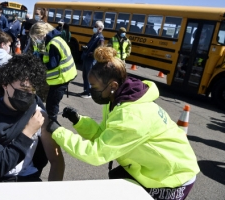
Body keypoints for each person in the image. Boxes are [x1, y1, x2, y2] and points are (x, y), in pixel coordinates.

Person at [47, 46, 200, 200]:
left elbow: (96, 153)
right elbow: (105, 136)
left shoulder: (131, 115)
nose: (91, 90)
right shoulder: (116, 100)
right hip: (152, 167)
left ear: (113, 85)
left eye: (94, 87)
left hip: (173, 177)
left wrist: (57, 131)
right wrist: (79, 121)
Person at [0, 54, 65, 182]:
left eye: (33, 89)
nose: (28, 94)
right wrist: (28, 132)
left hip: (27, 178)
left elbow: (56, 160)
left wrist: (53, 192)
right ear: (5, 84)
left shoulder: (38, 111)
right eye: (23, 88)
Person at [29, 22, 77, 121]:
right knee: (51, 101)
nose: (36, 39)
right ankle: (51, 121)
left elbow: (52, 65)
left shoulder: (53, 43)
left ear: (42, 33)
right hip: (62, 76)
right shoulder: (52, 39)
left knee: (52, 104)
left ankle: (52, 124)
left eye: (36, 37)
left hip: (62, 78)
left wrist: (38, 66)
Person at [79, 20, 104, 98]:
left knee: (89, 76)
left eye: (96, 26)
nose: (94, 27)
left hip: (92, 59)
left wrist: (92, 53)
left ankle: (89, 93)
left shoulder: (100, 38)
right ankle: (86, 90)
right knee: (85, 75)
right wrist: (86, 48)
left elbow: (100, 49)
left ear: (100, 28)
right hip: (87, 58)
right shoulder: (94, 36)